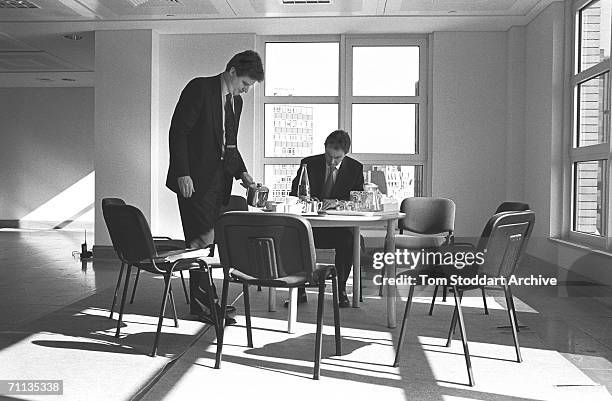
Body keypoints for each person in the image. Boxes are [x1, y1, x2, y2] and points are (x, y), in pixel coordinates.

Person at [166, 50, 264, 325]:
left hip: (220, 184)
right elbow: (178, 132)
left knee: (210, 248)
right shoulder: (200, 88)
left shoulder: (236, 103)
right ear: (232, 71)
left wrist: (244, 175)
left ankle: (208, 299)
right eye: (244, 84)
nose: (245, 91)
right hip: (194, 182)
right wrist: (182, 173)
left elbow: (229, 145)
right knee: (200, 244)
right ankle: (202, 306)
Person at [289, 130, 364, 307]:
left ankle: (341, 289)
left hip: (337, 228)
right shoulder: (308, 164)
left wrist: (337, 202)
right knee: (292, 236)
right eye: (328, 156)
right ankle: (298, 289)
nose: (331, 162)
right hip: (310, 226)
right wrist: (307, 199)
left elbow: (357, 199)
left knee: (350, 240)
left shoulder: (355, 168)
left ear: (345, 154)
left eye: (337, 159)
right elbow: (294, 193)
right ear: (325, 148)